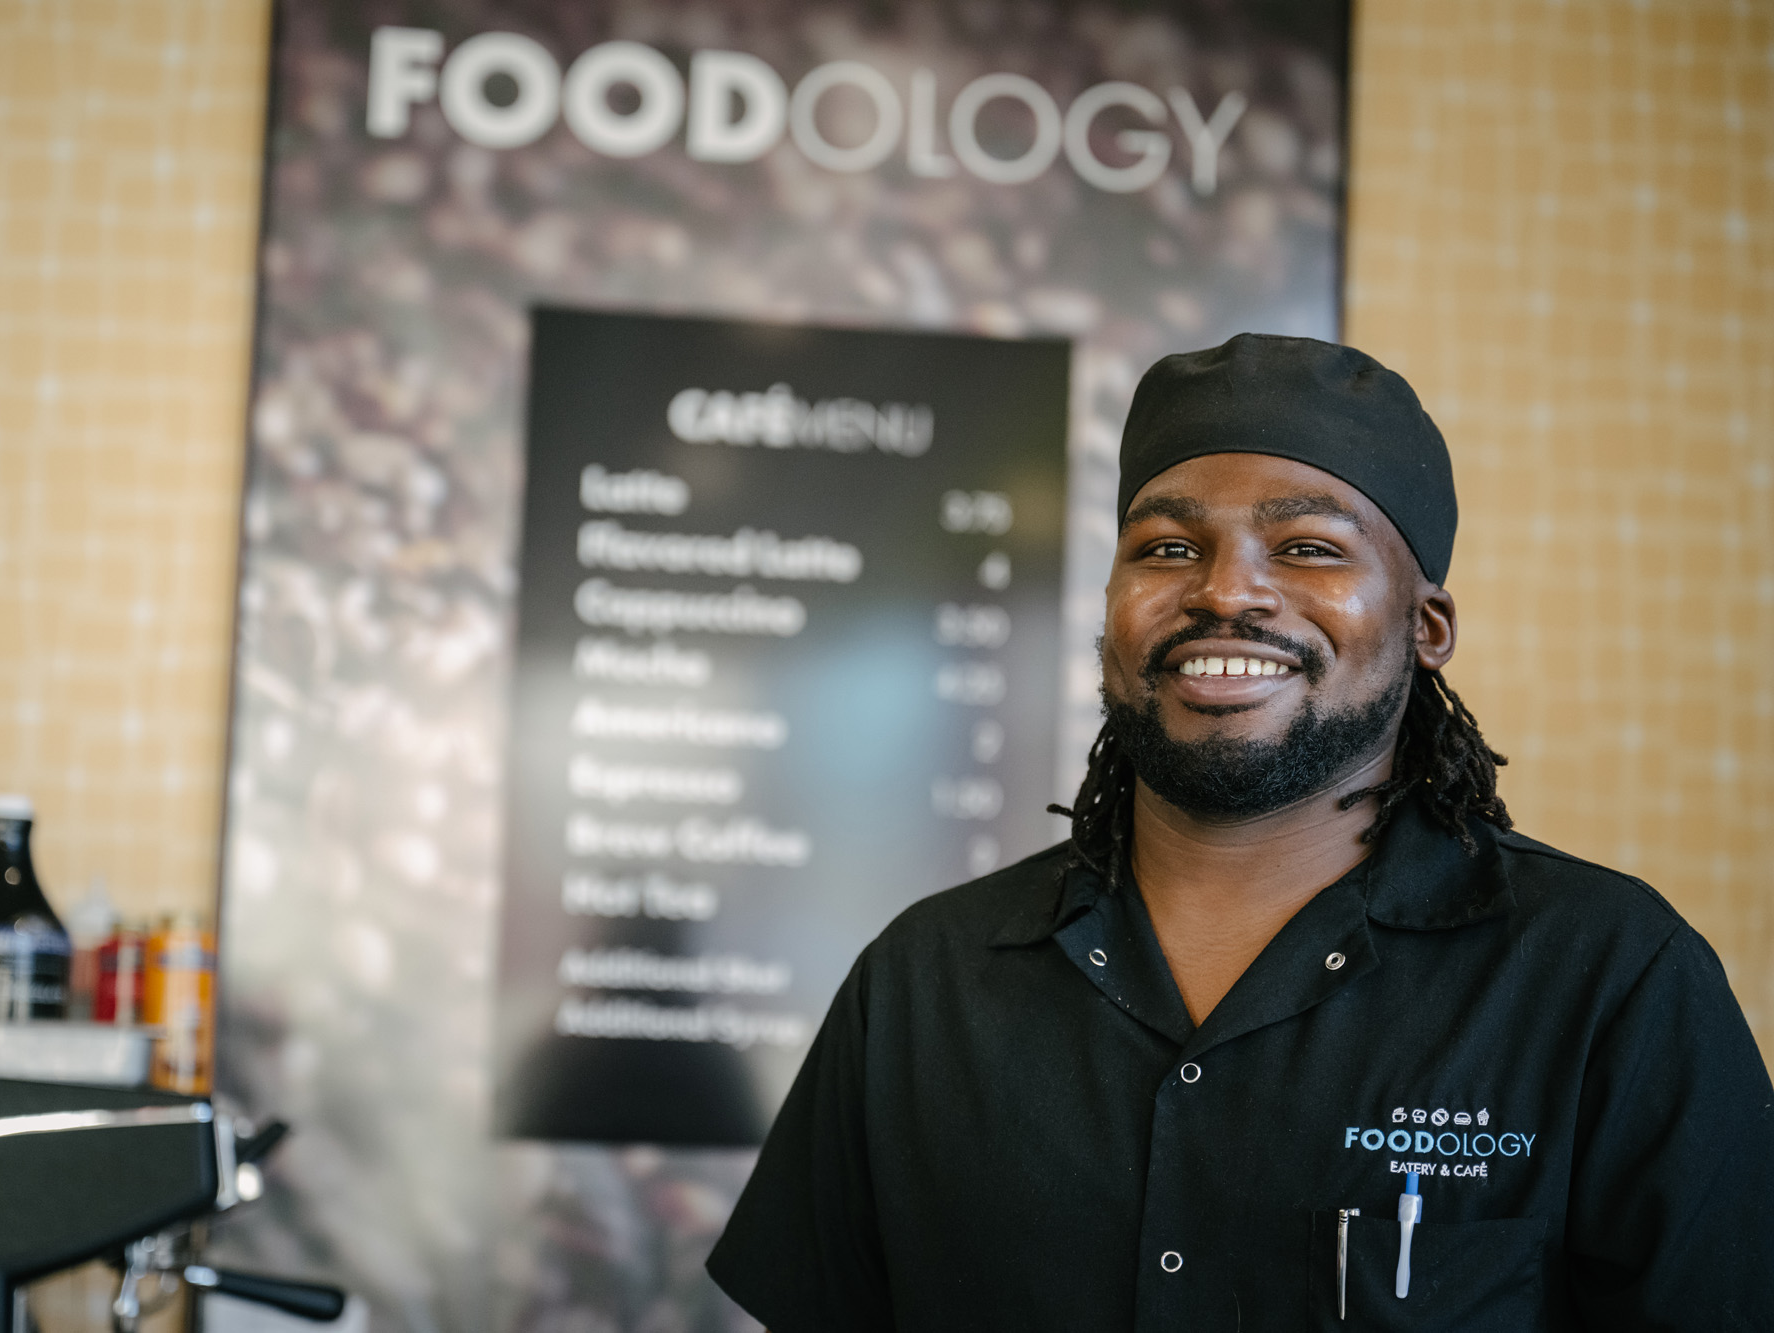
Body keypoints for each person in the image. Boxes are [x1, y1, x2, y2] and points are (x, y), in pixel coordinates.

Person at [705, 333, 1774, 1330]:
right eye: (1167, 546)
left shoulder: (1608, 980)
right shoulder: (924, 982)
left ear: (1425, 625)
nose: (1224, 591)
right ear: (1113, 606)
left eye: (1306, 546)